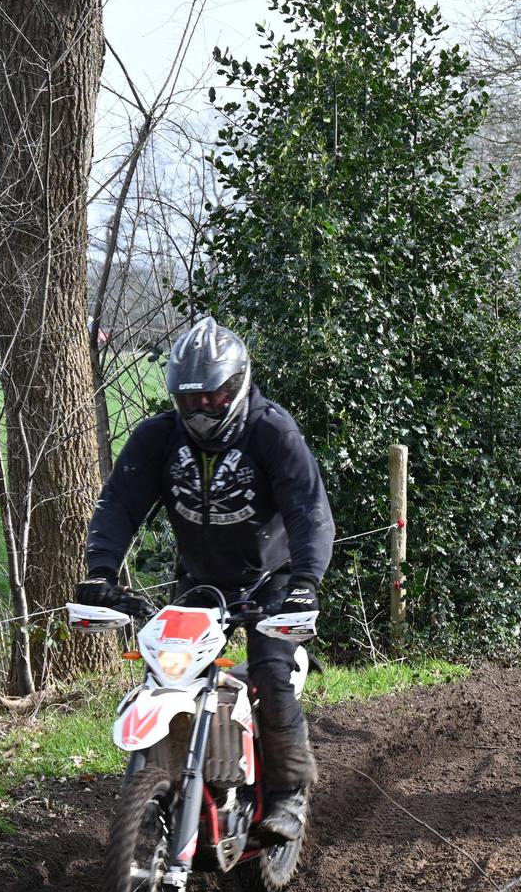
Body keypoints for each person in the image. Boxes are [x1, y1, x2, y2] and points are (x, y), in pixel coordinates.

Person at [77, 316, 334, 843]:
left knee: (270, 672)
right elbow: (118, 506)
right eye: (190, 400)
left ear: (237, 385)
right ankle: (173, 789)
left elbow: (309, 509)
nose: (201, 410)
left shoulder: (272, 431)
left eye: (213, 397)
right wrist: (101, 573)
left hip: (273, 580)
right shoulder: (157, 438)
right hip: (198, 580)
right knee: (171, 678)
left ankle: (288, 794)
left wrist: (306, 581)